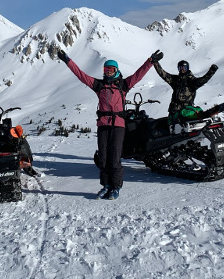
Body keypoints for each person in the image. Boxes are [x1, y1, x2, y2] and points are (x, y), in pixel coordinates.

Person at [57, 48, 163, 200]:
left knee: (114, 157)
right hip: (103, 125)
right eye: (106, 69)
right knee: (103, 158)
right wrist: (67, 60)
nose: (108, 72)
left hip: (118, 125)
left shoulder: (123, 85)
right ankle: (106, 185)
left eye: (111, 69)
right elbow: (81, 75)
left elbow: (138, 75)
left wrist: (150, 61)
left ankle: (116, 187)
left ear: (116, 70)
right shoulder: (99, 85)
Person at [153, 59, 219, 119]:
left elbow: (203, 80)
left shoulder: (192, 81)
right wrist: (155, 62)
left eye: (184, 68)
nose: (182, 70)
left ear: (187, 68)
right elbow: (163, 74)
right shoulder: (175, 80)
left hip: (186, 113)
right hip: (174, 112)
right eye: (180, 68)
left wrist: (211, 71)